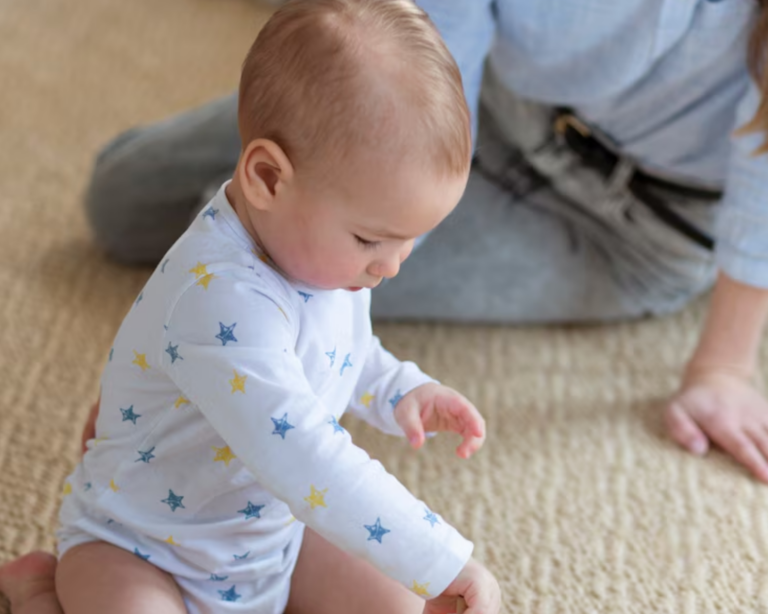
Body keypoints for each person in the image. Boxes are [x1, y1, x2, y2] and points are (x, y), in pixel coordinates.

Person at [77, 0, 768, 483]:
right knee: (122, 201)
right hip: (471, 123)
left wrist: (722, 370)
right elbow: (433, 47)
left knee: (284, 261)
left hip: (635, 226)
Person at [0, 2, 502, 613]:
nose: (391, 265)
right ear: (267, 177)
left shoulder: (318, 256)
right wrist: (443, 557)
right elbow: (307, 457)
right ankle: (37, 593)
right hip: (142, 551)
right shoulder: (217, 300)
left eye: (408, 241)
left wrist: (401, 391)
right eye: (372, 239)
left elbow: (342, 352)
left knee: (404, 605)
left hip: (271, 540)